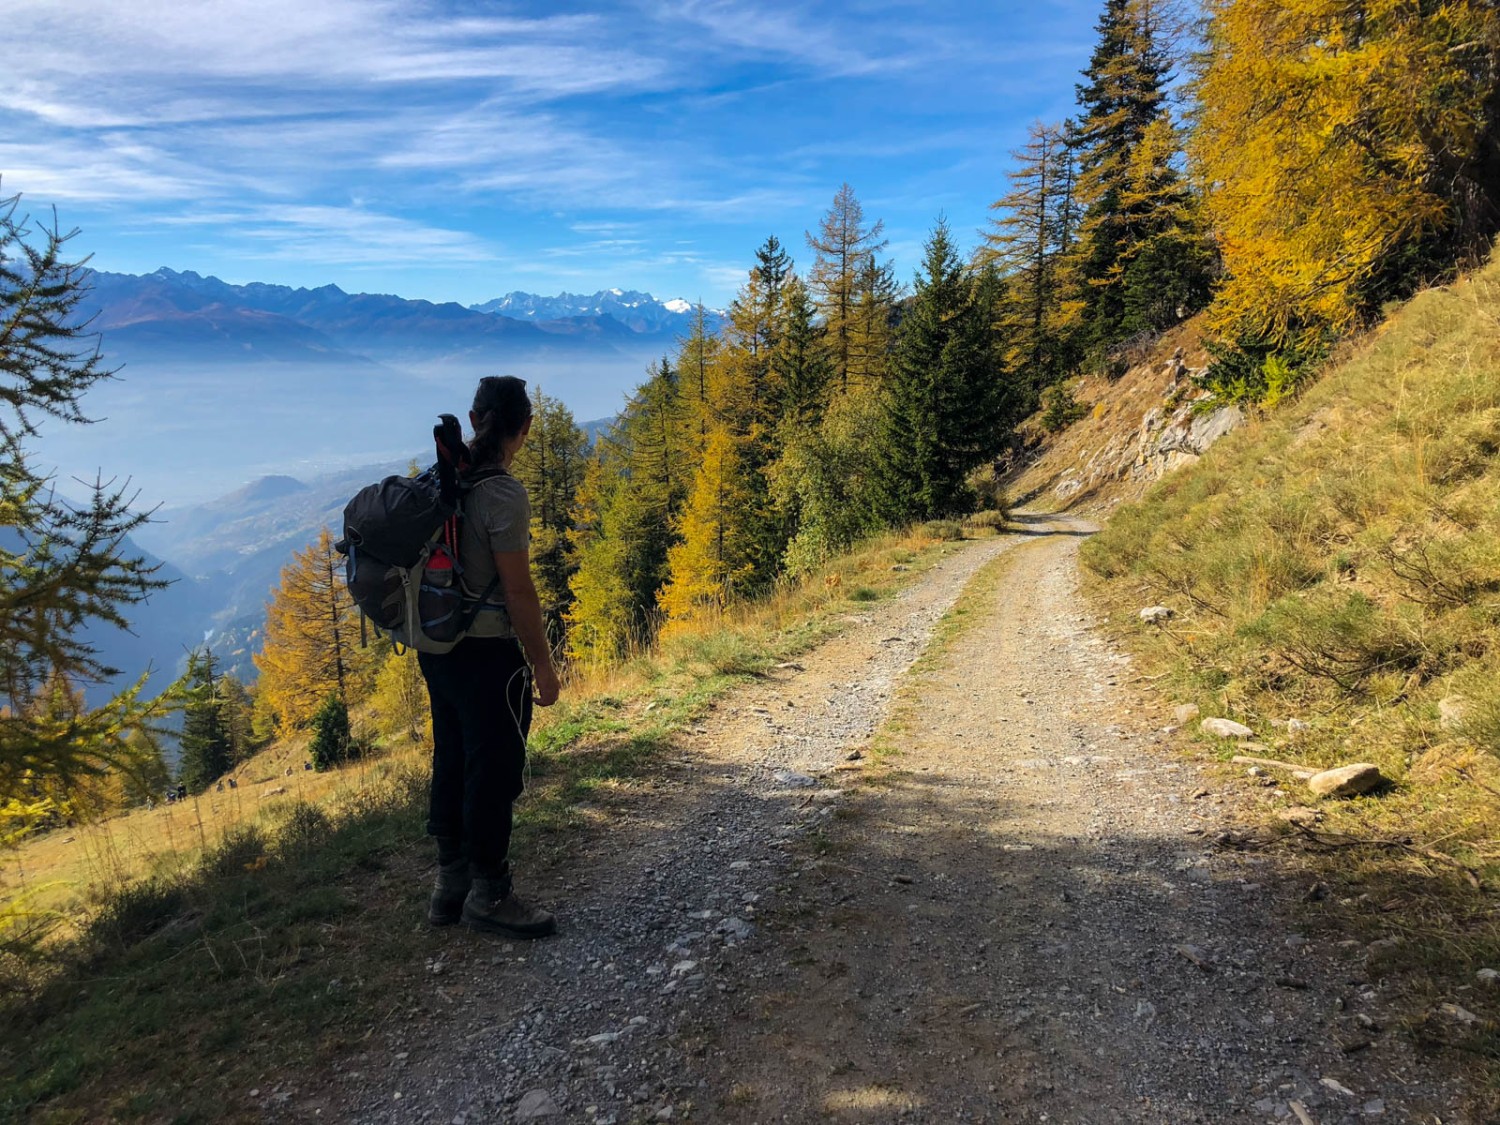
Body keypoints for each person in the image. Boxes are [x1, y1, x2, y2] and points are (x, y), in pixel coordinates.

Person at [419, 375, 561, 939]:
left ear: (476, 420)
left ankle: (448, 886)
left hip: (437, 647)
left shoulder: (443, 477)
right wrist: (544, 664)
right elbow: (518, 590)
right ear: (524, 428)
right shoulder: (502, 494)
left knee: (452, 757)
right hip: (487, 654)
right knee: (494, 767)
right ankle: (490, 893)